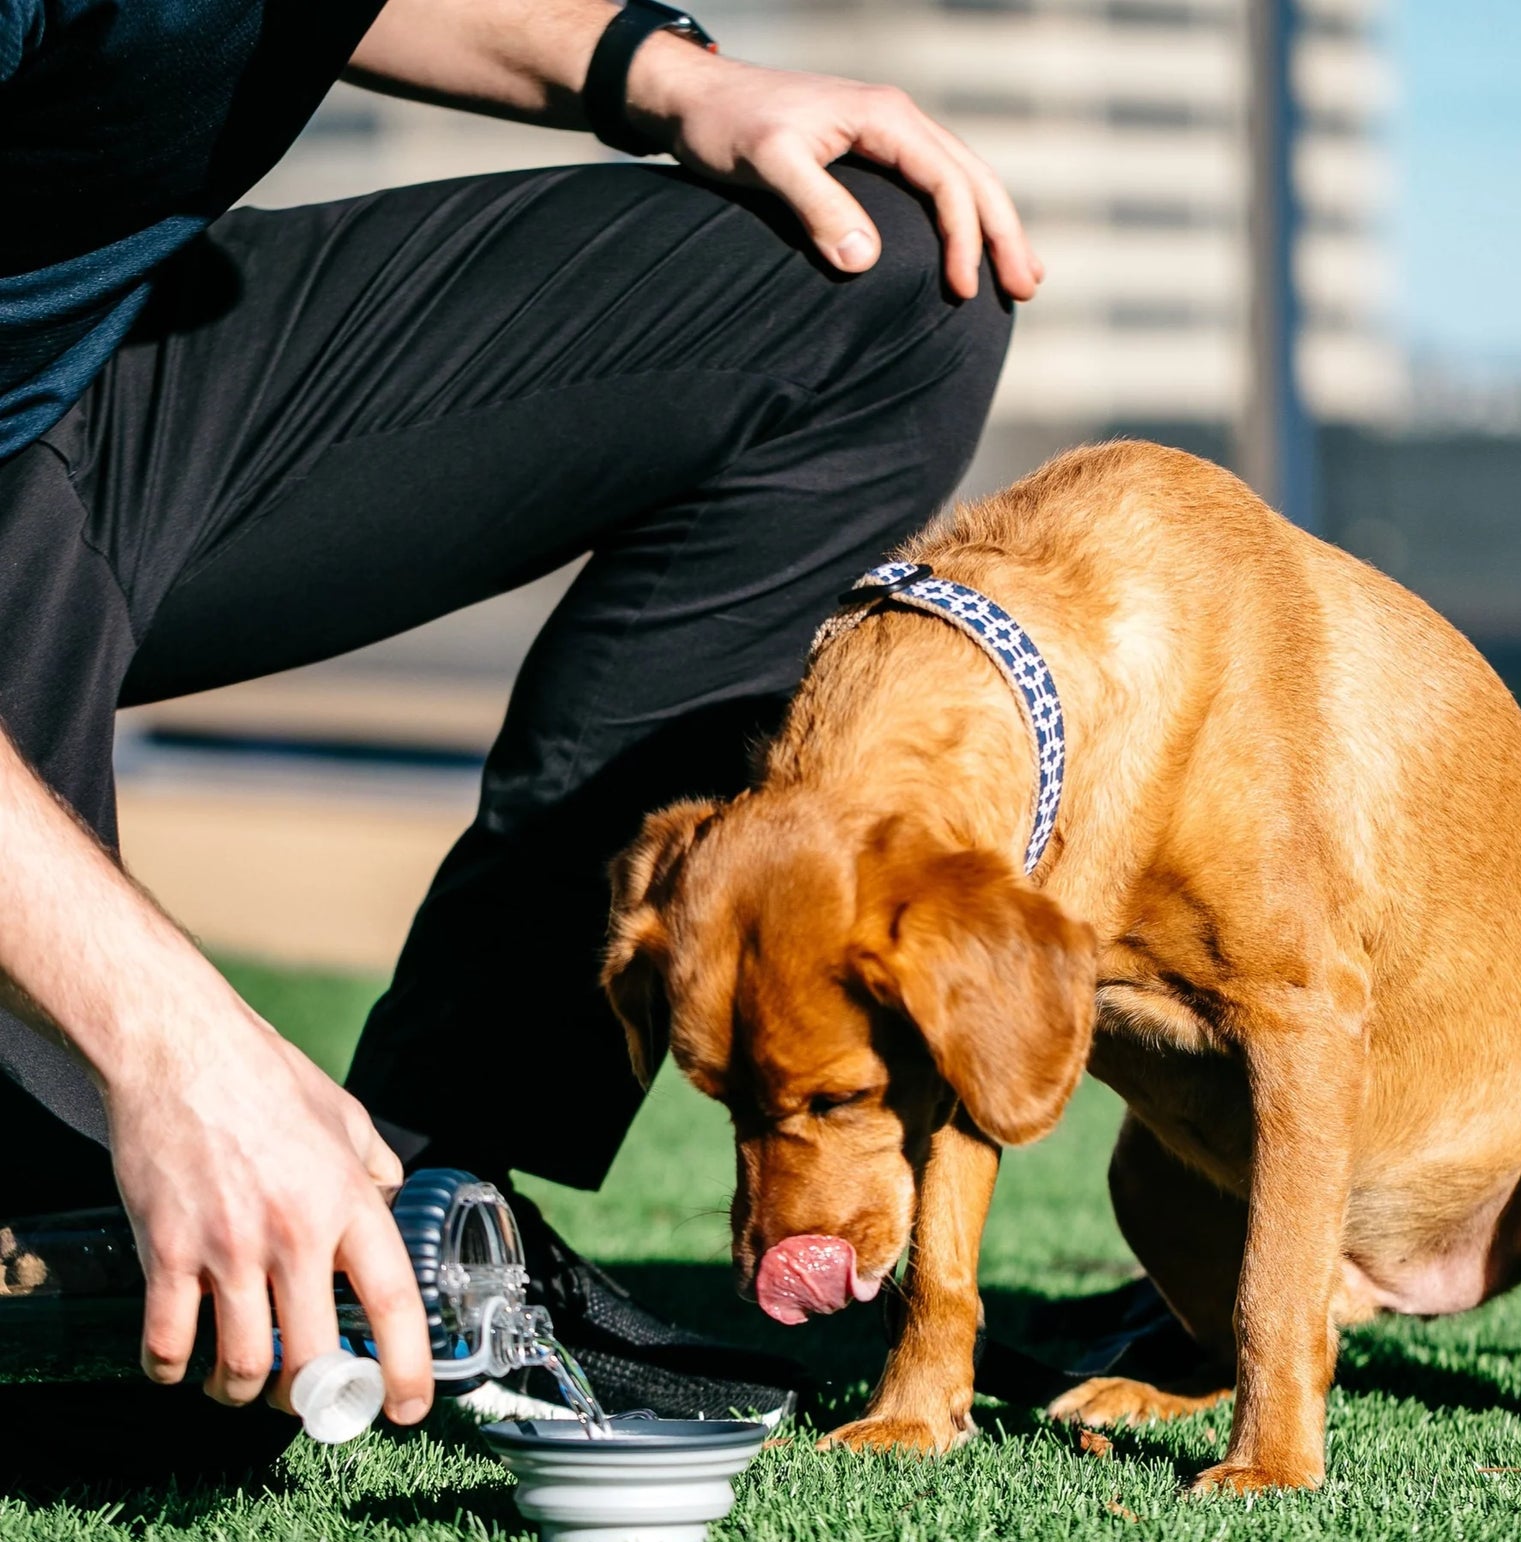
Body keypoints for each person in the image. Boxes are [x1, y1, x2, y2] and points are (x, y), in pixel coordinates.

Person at [0, 0, 1035, 1440]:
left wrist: (663, 76)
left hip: (95, 371)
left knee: (881, 273)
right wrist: (162, 1037)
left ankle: (427, 1189)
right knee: (119, 1333)